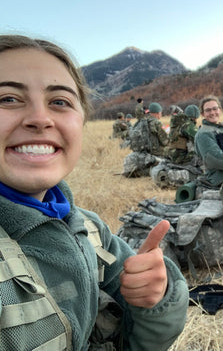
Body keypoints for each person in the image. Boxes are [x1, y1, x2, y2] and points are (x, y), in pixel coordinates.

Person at [0, 35, 188, 350]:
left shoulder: (88, 228)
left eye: (59, 102)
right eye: (7, 98)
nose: (40, 119)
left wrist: (158, 293)